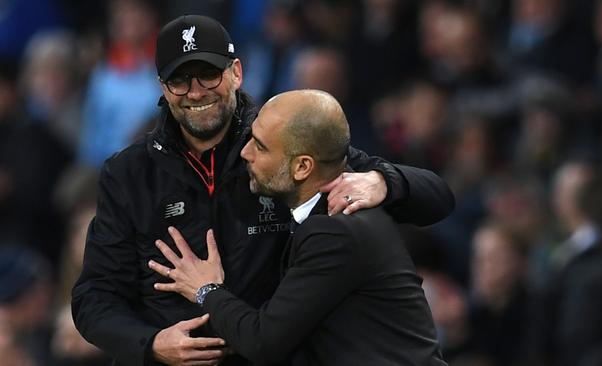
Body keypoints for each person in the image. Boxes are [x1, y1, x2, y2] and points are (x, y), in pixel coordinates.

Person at [72, 15, 454, 366]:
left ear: (236, 72)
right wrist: (151, 344)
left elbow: (436, 199)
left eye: (208, 74)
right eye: (180, 79)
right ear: (163, 87)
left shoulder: (281, 140)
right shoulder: (128, 173)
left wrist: (384, 181)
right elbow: (94, 297)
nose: (195, 92)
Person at [149, 89, 448, 365]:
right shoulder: (331, 188)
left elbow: (263, 342)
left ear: (303, 167)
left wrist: (206, 289)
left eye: (261, 147)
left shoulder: (334, 231)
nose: (245, 153)